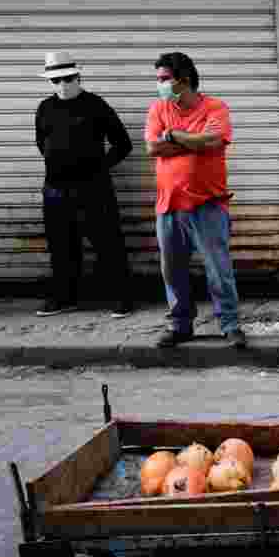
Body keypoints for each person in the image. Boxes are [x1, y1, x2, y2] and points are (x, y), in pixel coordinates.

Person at [144, 52, 246, 349]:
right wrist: (193, 141)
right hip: (169, 204)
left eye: (164, 79)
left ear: (183, 80)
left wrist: (173, 136)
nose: (159, 85)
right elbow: (153, 147)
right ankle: (180, 325)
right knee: (172, 270)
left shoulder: (215, 107)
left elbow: (214, 140)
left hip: (208, 204)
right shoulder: (158, 108)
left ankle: (230, 325)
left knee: (218, 269)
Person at [34, 52, 133, 318]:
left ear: (78, 77)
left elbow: (123, 144)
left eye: (67, 79)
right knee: (61, 246)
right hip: (55, 190)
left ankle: (122, 298)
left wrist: (98, 166)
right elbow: (42, 143)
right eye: (55, 81)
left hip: (93, 188)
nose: (62, 86)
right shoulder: (45, 108)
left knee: (107, 243)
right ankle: (66, 298)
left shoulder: (95, 105)